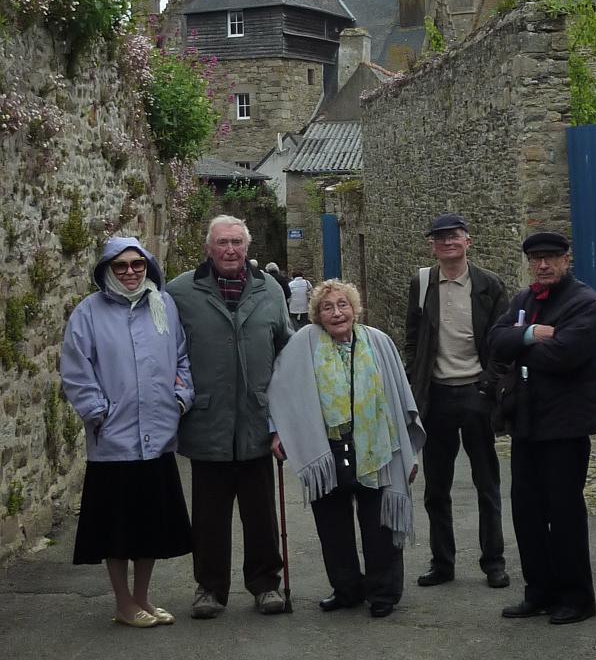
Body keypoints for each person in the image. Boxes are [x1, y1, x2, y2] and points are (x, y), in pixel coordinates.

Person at [268, 279, 425, 618]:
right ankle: (346, 589)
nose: (337, 312)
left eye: (343, 305)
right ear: (317, 314)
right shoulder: (302, 344)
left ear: (355, 309)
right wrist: (281, 431)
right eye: (328, 307)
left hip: (377, 446)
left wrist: (409, 454)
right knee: (333, 526)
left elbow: (400, 395)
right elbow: (281, 389)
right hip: (328, 448)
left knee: (379, 524)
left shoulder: (379, 342)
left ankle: (383, 593)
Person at [60, 236, 194, 628]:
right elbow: (75, 370)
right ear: (106, 271)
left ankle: (141, 600)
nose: (130, 272)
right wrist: (97, 413)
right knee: (116, 530)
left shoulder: (162, 305)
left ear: (148, 266)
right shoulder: (88, 313)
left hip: (157, 437)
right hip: (113, 440)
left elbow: (181, 357)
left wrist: (181, 398)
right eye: (120, 266)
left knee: (150, 526)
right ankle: (122, 602)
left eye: (137, 265)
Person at [166, 215, 293, 619]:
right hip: (208, 422)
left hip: (257, 421)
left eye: (237, 241)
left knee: (260, 514)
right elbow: (164, 351)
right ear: (208, 247)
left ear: (247, 247)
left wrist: (285, 421)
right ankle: (210, 589)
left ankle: (265, 585)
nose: (230, 249)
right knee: (208, 517)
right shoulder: (180, 291)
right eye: (222, 242)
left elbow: (286, 352)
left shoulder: (269, 289)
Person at [488, 231, 596, 626]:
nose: (543, 265)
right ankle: (539, 592)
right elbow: (494, 341)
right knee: (528, 514)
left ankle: (577, 597)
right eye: (536, 258)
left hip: (565, 428)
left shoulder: (584, 302)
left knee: (565, 514)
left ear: (566, 260)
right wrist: (529, 335)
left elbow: (565, 355)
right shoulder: (523, 300)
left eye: (551, 258)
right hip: (526, 424)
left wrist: (518, 347)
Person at [405, 213, 510, 589]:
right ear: (432, 245)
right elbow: (413, 339)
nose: (447, 242)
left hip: (475, 394)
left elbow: (502, 343)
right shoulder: (421, 283)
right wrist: (413, 385)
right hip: (437, 396)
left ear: (469, 241)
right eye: (440, 238)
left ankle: (493, 562)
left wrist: (490, 384)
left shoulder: (489, 285)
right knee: (436, 488)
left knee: (487, 484)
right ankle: (442, 563)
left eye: (454, 236)